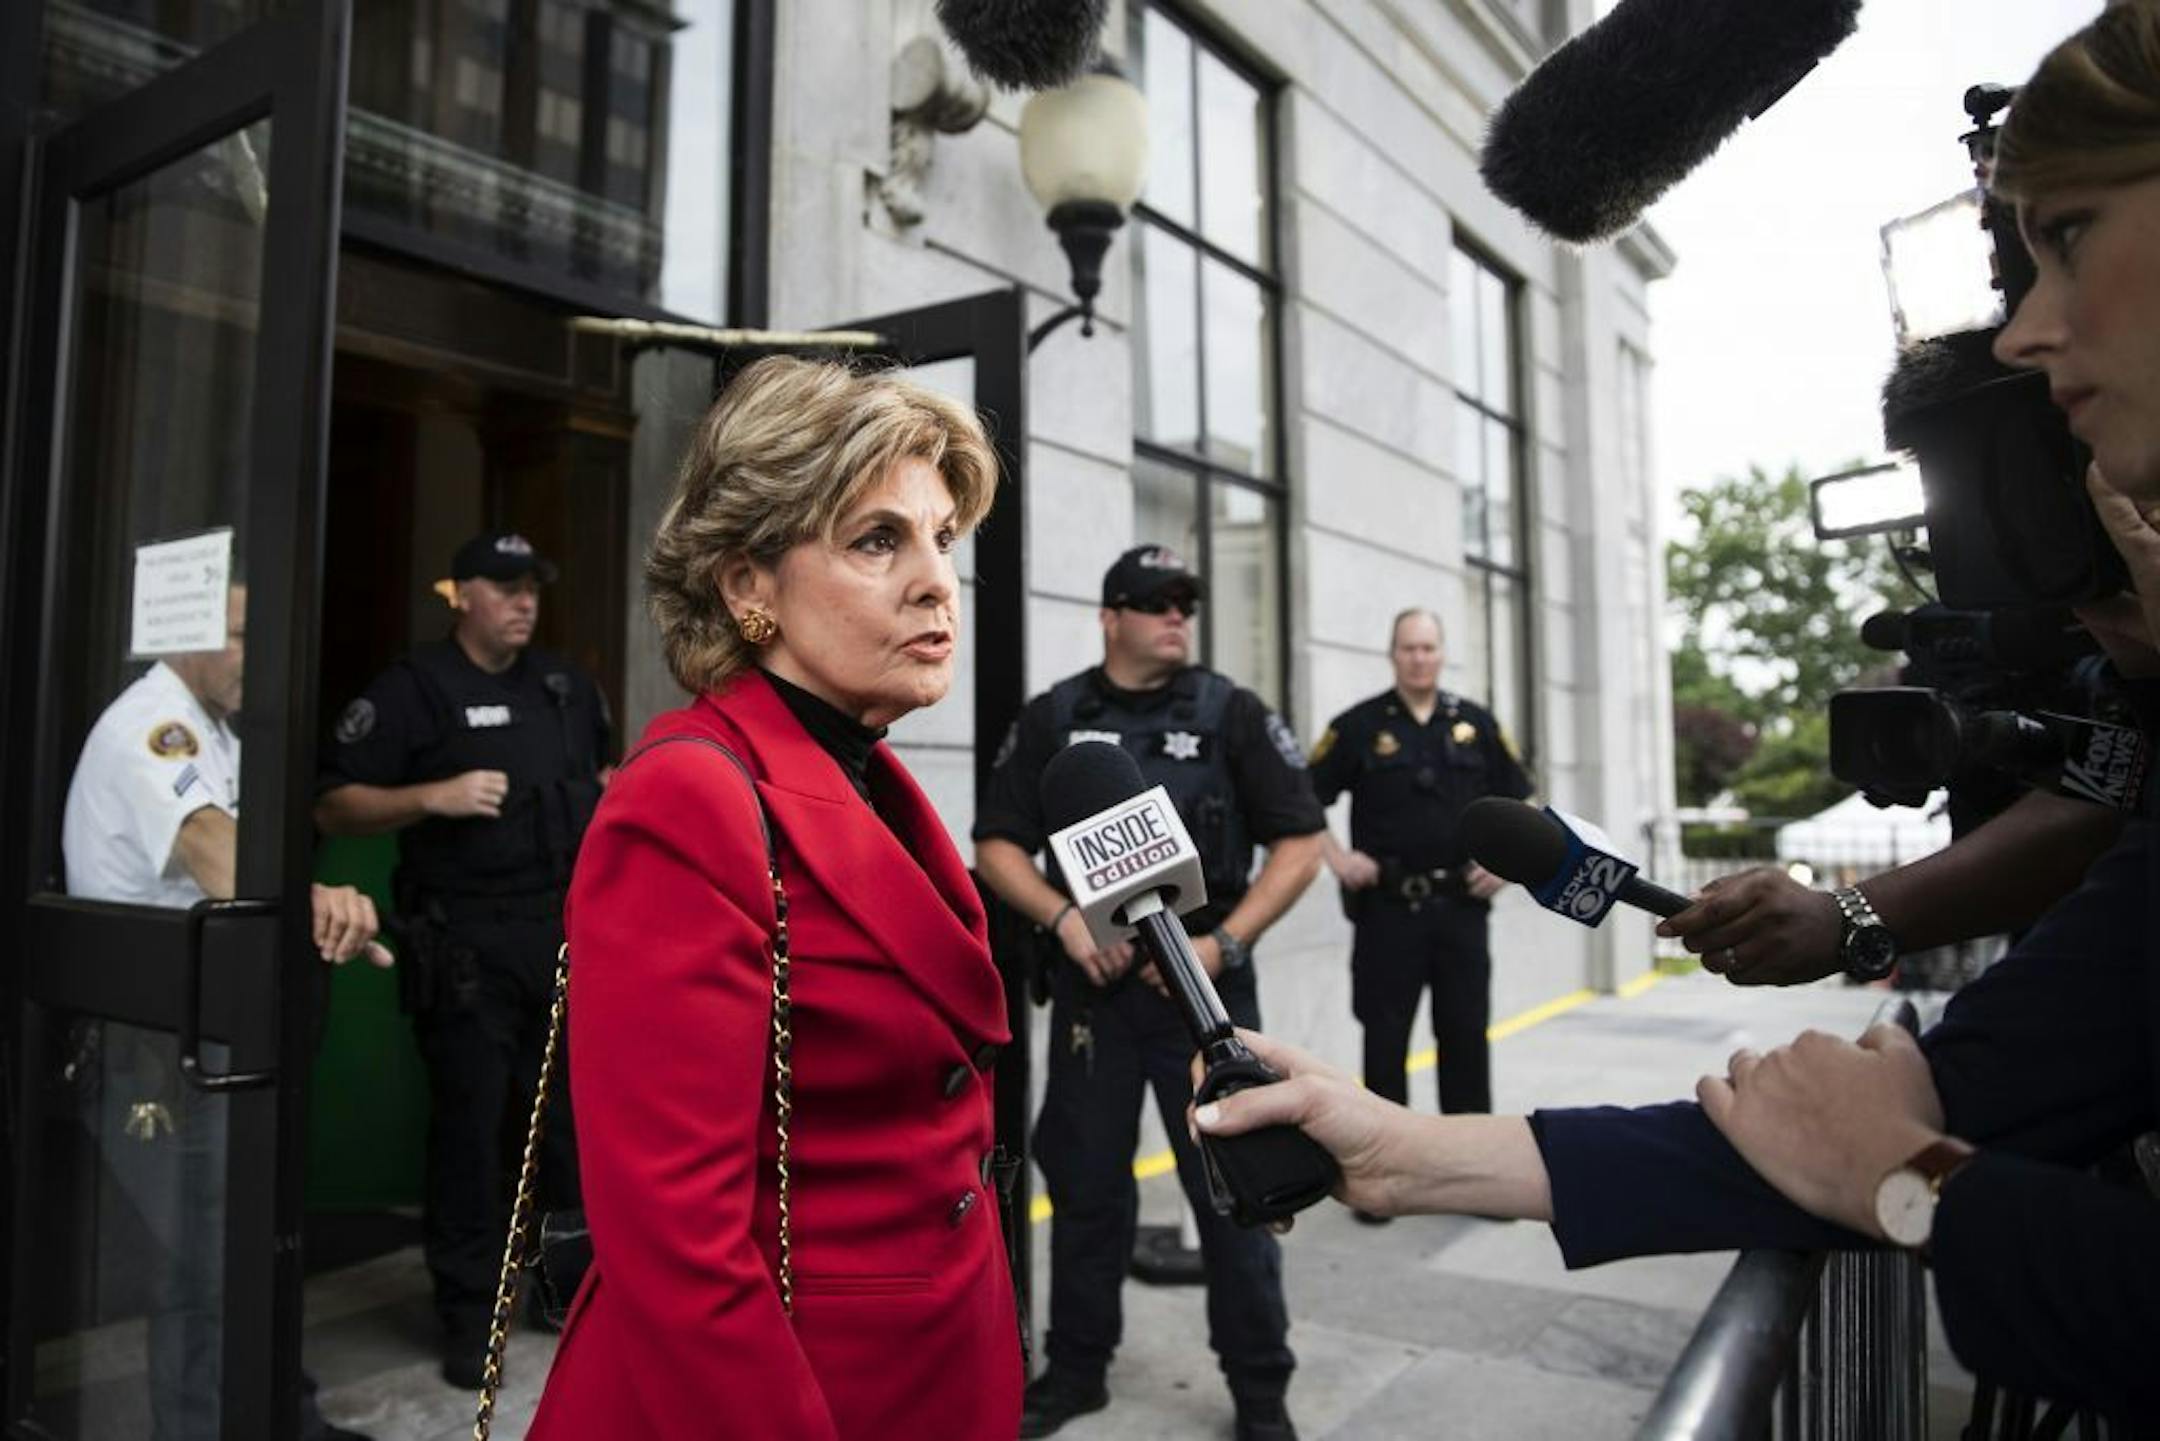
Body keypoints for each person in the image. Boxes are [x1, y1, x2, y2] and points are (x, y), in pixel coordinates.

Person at [1197, 5, 2160, 1418]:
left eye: (2066, 233)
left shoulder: (1470, 718)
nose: (2022, 331)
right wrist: (1399, 1148)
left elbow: (1883, 1153)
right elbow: (1907, 1105)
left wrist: (1913, 1191)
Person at [524, 357, 1021, 1440]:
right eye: (877, 539)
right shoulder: (687, 799)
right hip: (783, 1393)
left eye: (944, 537)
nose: (936, 578)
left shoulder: (861, 765)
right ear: (749, 585)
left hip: (929, 1367)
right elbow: (677, 1244)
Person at [974, 544, 1325, 1441]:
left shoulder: (1229, 712)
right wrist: (1063, 920)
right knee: (1088, 1188)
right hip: (1099, 1002)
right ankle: (1077, 1367)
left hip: (1205, 1005)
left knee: (1236, 1193)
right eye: (1155, 601)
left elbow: (1301, 841)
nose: (1178, 616)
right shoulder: (1058, 716)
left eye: (1186, 602)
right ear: (1110, 616)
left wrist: (1224, 940)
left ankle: (1259, 1391)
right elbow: (998, 844)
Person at [61, 581, 387, 1441]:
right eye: (242, 635)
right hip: (156, 1043)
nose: (259, 655)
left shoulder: (213, 729)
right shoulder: (152, 727)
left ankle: (285, 1417)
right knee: (200, 1267)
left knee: (247, 1244)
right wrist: (318, 898)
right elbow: (216, 853)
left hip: (212, 1026)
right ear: (183, 634)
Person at [313, 532, 612, 1387]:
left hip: (559, 936)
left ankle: (567, 1294)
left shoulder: (564, 686)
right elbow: (333, 803)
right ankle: (470, 1315)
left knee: (566, 1130)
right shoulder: (416, 690)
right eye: (506, 585)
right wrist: (428, 796)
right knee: (471, 1137)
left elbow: (604, 777)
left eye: (533, 587)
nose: (524, 601)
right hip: (466, 947)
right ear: (462, 595)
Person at [1308, 608, 1531, 1167]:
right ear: (1393, 654)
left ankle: (1472, 1168)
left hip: (1461, 909)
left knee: (1466, 1039)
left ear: (1442, 654)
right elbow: (1300, 798)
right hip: (1388, 911)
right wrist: (1336, 858)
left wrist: (1507, 867)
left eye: (1428, 648)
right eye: (1409, 648)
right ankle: (1381, 1169)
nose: (1419, 658)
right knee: (1384, 1043)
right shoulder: (1358, 726)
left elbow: (1521, 802)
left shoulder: (1475, 723)